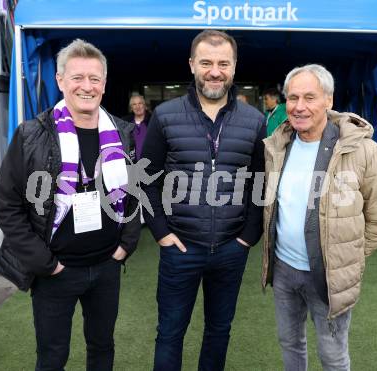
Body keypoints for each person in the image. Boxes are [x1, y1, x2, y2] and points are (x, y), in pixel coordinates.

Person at [0, 39, 140, 370]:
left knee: (102, 348)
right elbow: (7, 203)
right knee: (52, 355)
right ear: (60, 81)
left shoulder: (122, 133)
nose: (86, 86)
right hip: (55, 271)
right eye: (77, 77)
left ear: (104, 83)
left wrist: (126, 244)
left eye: (95, 78)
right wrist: (45, 263)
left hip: (106, 265)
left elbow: (133, 191)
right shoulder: (31, 134)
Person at [141, 30, 266, 371]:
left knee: (219, 331)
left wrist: (247, 237)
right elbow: (145, 179)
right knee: (169, 333)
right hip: (180, 247)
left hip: (230, 249)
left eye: (223, 63)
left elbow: (260, 182)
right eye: (207, 63)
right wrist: (161, 233)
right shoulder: (165, 115)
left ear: (234, 67)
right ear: (192, 65)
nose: (215, 71)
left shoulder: (255, 121)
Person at [261, 64, 377, 371]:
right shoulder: (278, 146)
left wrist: (345, 256)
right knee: (289, 343)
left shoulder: (363, 151)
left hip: (329, 275)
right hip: (284, 271)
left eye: (310, 97)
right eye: (292, 98)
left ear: (329, 100)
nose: (299, 106)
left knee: (333, 356)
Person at [123, 94, 150, 161]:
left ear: (145, 105)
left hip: (149, 163)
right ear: (131, 108)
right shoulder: (125, 123)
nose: (137, 107)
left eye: (140, 103)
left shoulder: (152, 121)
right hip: (131, 164)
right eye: (134, 104)